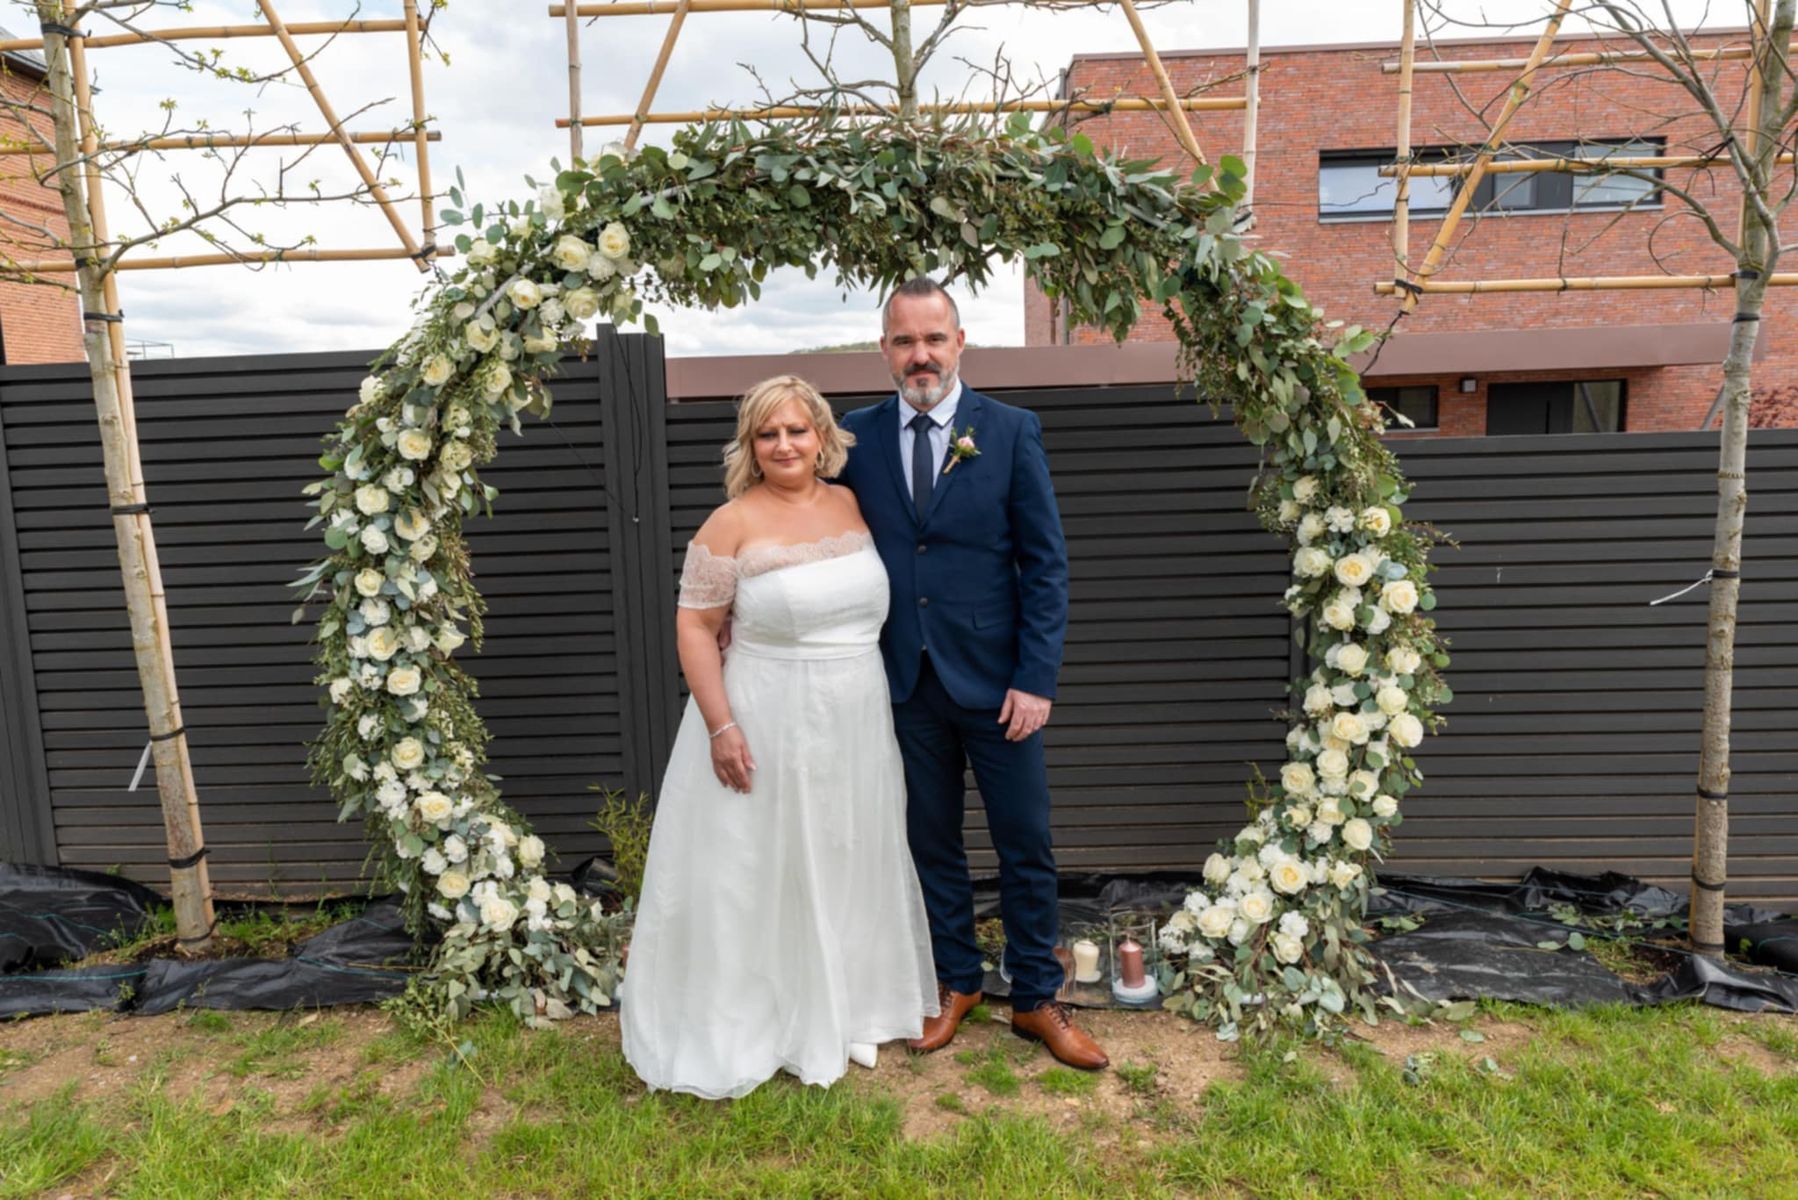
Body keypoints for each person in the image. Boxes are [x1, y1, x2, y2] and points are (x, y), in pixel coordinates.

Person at [620, 375, 938, 1099]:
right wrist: (721, 725)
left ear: (822, 436)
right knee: (762, 866)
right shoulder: (730, 523)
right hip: (767, 715)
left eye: (797, 430)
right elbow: (694, 627)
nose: (785, 445)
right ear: (750, 445)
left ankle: (843, 1003)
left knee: (844, 850)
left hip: (856, 714)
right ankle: (764, 1016)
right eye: (768, 434)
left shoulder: (854, 504)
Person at [837, 278, 1109, 1071]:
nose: (919, 355)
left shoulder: (1011, 430)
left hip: (1000, 686)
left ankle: (1035, 997)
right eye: (904, 341)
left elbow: (1045, 565)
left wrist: (1036, 677)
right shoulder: (854, 438)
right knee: (931, 840)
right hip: (903, 682)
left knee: (1026, 842)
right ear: (884, 350)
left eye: (933, 338)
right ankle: (956, 981)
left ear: (959, 343)